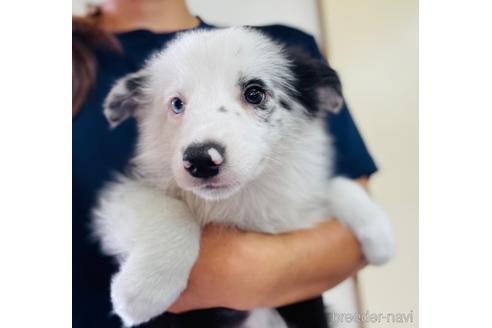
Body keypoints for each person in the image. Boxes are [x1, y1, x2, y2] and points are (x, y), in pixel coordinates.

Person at [73, 0, 378, 327]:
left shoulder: (285, 49)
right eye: (177, 105)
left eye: (254, 95)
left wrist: (231, 269)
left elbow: (358, 238)